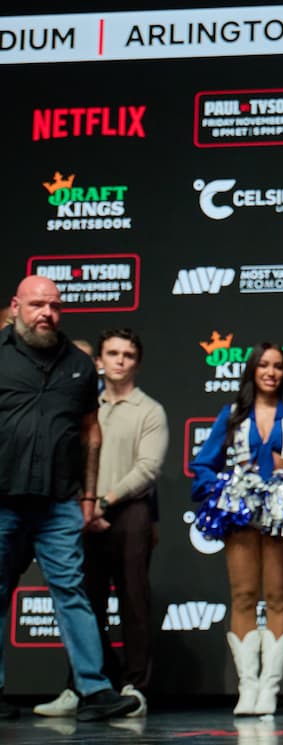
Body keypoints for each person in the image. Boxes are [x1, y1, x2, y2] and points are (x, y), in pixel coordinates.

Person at [0, 276, 140, 721]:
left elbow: (90, 433)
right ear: (16, 306)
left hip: (59, 500)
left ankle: (94, 690)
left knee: (72, 591)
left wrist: (89, 496)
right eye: (38, 305)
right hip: (2, 498)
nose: (47, 314)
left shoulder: (78, 365)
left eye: (55, 306)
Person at [191, 343, 283, 716]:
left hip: (282, 511)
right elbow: (204, 464)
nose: (270, 372)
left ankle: (269, 690)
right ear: (253, 370)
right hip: (240, 511)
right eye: (264, 365)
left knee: (277, 597)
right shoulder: (234, 413)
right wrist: (220, 489)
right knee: (242, 595)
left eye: (277, 366)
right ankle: (247, 688)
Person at [35, 328, 168, 719]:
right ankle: (83, 687)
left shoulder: (150, 410)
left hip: (129, 513)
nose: (120, 360)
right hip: (81, 512)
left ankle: (135, 688)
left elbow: (148, 468)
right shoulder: (83, 408)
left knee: (134, 602)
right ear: (99, 361)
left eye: (128, 354)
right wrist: (84, 504)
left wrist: (103, 501)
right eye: (113, 353)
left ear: (137, 363)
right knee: (83, 602)